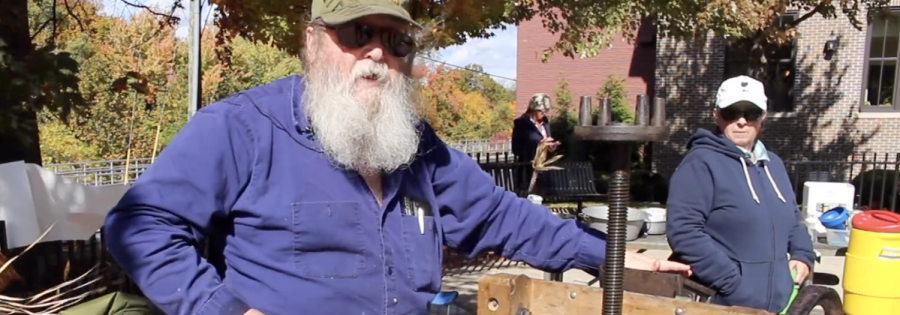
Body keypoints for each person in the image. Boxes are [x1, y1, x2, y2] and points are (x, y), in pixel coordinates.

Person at [103, 1, 691, 315]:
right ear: (312, 42)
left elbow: (502, 216)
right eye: (357, 32)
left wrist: (614, 254)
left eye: (397, 39)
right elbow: (140, 226)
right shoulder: (240, 129)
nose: (378, 53)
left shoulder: (414, 144)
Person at [665, 75, 816, 313]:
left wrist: (803, 255)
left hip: (778, 304)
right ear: (716, 115)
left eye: (751, 113)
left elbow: (793, 218)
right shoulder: (700, 163)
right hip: (726, 305)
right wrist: (732, 283)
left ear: (763, 116)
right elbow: (684, 231)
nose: (741, 121)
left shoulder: (773, 164)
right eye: (731, 113)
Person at [511, 93, 558, 163]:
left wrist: (551, 148)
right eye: (541, 110)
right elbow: (517, 149)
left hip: (544, 167)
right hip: (527, 168)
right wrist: (539, 145)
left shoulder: (545, 122)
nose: (544, 113)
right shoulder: (521, 123)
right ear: (533, 109)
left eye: (546, 110)